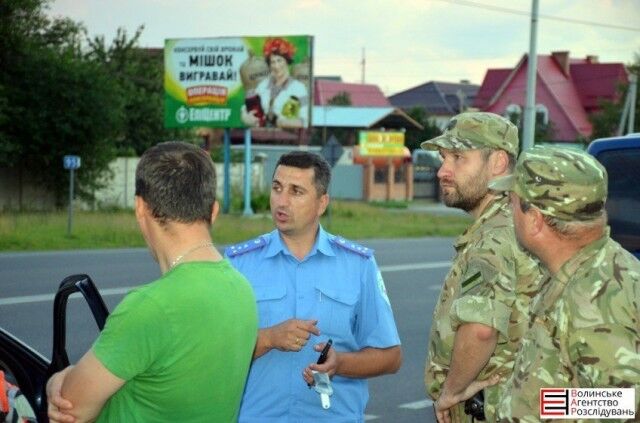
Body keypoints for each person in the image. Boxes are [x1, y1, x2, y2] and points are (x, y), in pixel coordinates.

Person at [46, 142, 258, 423]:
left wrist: (56, 379)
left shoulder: (150, 307)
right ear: (214, 210)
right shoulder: (242, 288)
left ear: (140, 207)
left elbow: (69, 409)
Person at [226, 151, 402, 422]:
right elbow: (214, 350)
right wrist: (268, 339)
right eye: (277, 188)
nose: (281, 201)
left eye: (296, 192)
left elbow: (390, 356)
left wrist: (340, 363)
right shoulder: (239, 264)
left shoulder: (357, 265)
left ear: (322, 203)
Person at [488, 146, 640, 421]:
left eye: (512, 201)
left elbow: (623, 404)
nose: (509, 211)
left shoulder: (593, 300)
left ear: (534, 220)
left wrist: (542, 407)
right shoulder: (591, 267)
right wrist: (502, 399)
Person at [421, 112, 544, 422]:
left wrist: (450, 392)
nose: (443, 171)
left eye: (458, 158)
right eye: (443, 157)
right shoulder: (515, 221)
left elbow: (480, 330)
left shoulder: (496, 236)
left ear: (498, 163)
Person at [241, 37, 308, 129]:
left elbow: (304, 121)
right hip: (260, 138)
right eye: (273, 62)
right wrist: (246, 117)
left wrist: (282, 122)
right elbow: (246, 107)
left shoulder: (299, 88)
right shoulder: (263, 85)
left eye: (279, 61)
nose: (276, 66)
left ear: (287, 61)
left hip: (287, 140)